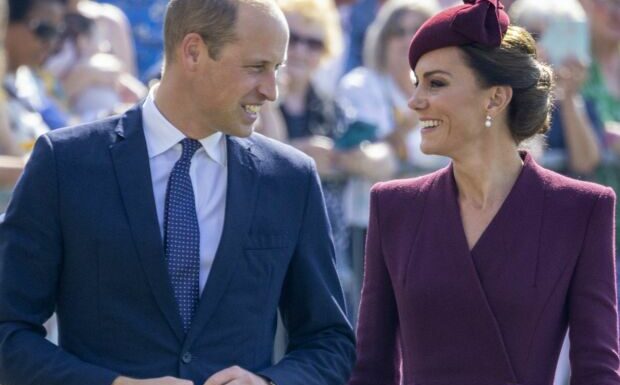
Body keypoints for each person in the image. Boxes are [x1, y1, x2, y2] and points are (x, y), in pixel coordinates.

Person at [0, 1, 356, 385]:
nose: (271, 91)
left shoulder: (291, 179)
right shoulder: (65, 163)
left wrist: (269, 383)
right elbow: (8, 329)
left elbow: (330, 340)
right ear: (193, 52)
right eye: (257, 67)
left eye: (277, 69)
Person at [349, 1, 620, 384]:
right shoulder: (393, 206)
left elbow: (598, 372)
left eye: (436, 83)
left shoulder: (582, 208)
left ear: (495, 97)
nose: (415, 101)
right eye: (417, 83)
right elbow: (371, 370)